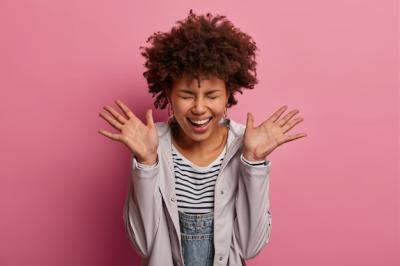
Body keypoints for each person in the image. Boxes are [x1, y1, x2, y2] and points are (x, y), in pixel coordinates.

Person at [98, 9, 307, 266]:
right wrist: (147, 164)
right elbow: (143, 244)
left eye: (211, 95)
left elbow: (249, 247)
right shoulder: (152, 145)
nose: (199, 108)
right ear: (168, 93)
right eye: (186, 95)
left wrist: (253, 162)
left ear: (229, 94)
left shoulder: (246, 144)